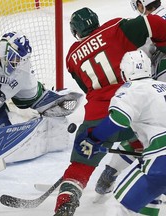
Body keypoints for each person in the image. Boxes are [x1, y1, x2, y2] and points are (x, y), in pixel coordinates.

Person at [54, 7, 166, 216]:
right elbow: (153, 22)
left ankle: (66, 202)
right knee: (143, 141)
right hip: (134, 109)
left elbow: (86, 86)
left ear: (76, 31)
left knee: (81, 164)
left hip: (98, 115)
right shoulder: (116, 27)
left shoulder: (71, 57)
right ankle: (118, 175)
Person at [75, 49, 166, 215]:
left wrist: (93, 138)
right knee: (150, 197)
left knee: (123, 206)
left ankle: (111, 172)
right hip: (159, 161)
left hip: (161, 160)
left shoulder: (131, 89)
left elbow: (118, 120)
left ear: (124, 73)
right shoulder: (163, 86)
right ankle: (111, 172)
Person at [94, 0, 166, 202]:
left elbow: (138, 59)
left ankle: (111, 174)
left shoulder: (149, 22)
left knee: (145, 128)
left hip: (159, 82)